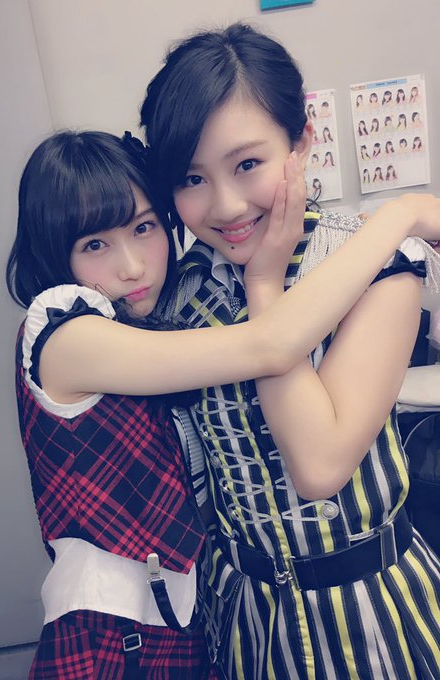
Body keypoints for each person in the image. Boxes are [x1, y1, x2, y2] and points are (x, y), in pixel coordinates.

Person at [6, 129, 425, 679]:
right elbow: (270, 345)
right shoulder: (63, 335)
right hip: (110, 628)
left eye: (143, 228)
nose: (132, 266)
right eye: (94, 245)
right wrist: (402, 216)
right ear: (52, 251)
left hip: (194, 615)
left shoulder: (159, 314)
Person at [141, 22, 440, 680]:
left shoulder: (376, 262)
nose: (225, 205)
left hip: (371, 614)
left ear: (301, 142)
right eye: (191, 178)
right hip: (244, 619)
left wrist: (265, 286)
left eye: (248, 164)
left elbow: (320, 464)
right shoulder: (178, 294)